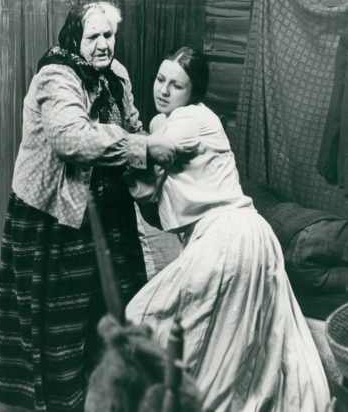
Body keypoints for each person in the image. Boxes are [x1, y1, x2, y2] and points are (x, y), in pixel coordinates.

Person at [0, 2, 197, 412]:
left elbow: (132, 122)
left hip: (107, 212)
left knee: (112, 310)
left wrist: (151, 142)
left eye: (109, 35)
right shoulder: (56, 76)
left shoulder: (116, 74)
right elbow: (70, 139)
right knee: (61, 324)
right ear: (75, 38)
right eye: (93, 36)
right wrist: (142, 147)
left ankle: (106, 397)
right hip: (56, 216)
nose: (103, 44)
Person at [125, 47, 330, 411]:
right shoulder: (183, 119)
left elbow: (148, 158)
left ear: (194, 92)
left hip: (229, 237)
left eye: (177, 85)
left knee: (144, 318)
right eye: (160, 79)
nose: (164, 90)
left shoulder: (191, 120)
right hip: (247, 235)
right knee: (236, 353)